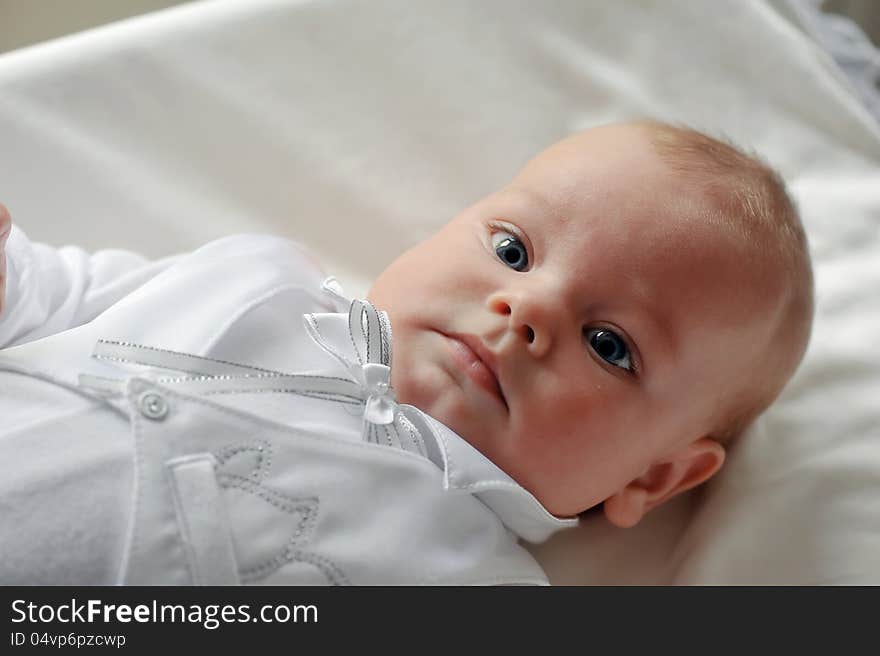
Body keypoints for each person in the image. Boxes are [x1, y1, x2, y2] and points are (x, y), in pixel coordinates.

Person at [0, 120, 814, 585]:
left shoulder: (469, 579)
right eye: (514, 251)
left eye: (609, 346)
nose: (525, 309)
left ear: (653, 477)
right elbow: (47, 297)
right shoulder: (257, 282)